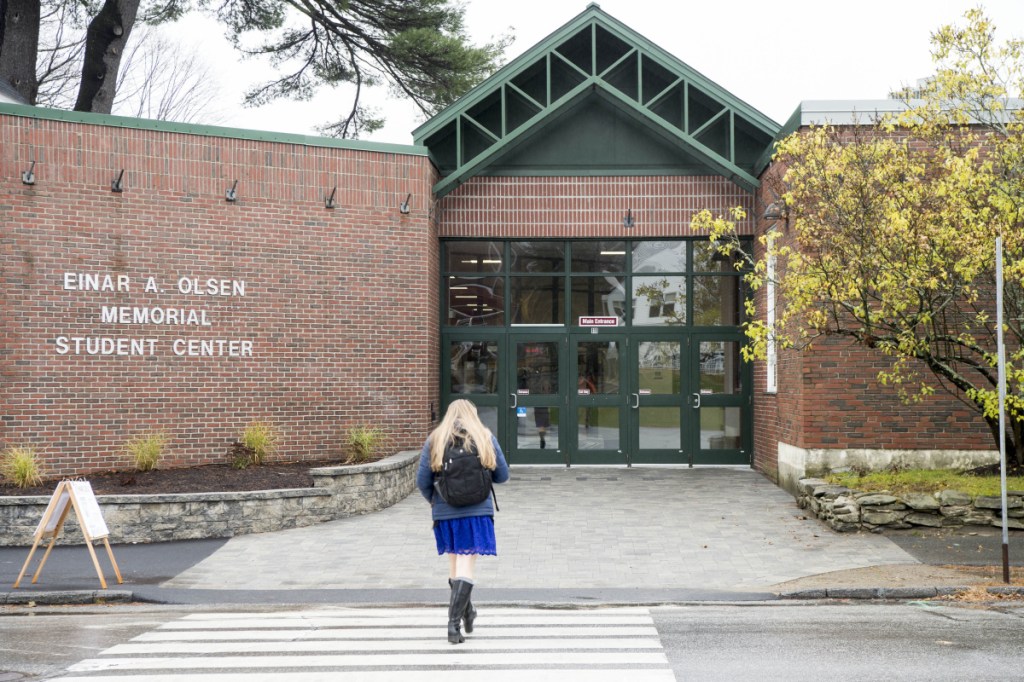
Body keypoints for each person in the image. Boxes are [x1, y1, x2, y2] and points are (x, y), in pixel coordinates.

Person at [416, 399, 509, 644]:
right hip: (477, 512)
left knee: (456, 567)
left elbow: (422, 480)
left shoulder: (435, 438)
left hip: (446, 514)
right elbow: (503, 475)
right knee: (466, 568)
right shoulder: (484, 436)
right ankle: (453, 626)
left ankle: (468, 611)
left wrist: (436, 501)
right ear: (473, 414)